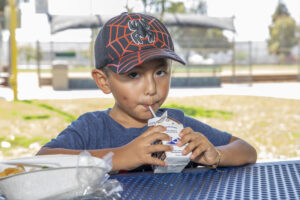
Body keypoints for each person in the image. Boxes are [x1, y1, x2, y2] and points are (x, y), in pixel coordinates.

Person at [37, 12, 257, 172]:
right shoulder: (92, 128)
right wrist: (120, 157)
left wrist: (215, 155)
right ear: (104, 81)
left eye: (160, 72)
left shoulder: (176, 123)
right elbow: (42, 161)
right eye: (134, 75)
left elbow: (246, 150)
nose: (152, 89)